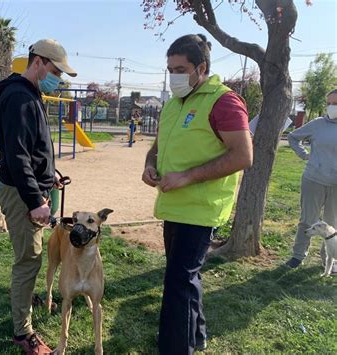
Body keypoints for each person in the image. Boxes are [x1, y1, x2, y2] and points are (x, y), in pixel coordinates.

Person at [141, 34, 253, 354]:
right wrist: (150, 165)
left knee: (177, 284)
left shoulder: (224, 101)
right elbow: (156, 148)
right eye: (169, 69)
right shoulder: (174, 104)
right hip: (173, 206)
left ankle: (176, 347)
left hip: (202, 210)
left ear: (200, 67)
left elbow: (243, 155)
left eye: (179, 68)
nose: (173, 75)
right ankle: (197, 334)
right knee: (187, 279)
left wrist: (188, 176)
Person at [0, 38, 76, 354]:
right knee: (28, 261)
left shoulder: (30, 94)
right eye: (56, 70)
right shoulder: (20, 99)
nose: (58, 77)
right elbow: (17, 157)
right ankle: (22, 332)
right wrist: (35, 201)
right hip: (20, 192)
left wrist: (49, 175)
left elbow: (32, 148)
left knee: (31, 258)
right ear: (38, 61)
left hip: (28, 188)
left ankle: (25, 302)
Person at [285, 89, 337, 274]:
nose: (331, 107)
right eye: (329, 103)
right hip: (314, 180)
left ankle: (328, 259)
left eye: (335, 103)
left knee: (332, 223)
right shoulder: (318, 124)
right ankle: (298, 256)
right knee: (308, 220)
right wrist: (304, 155)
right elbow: (292, 137)